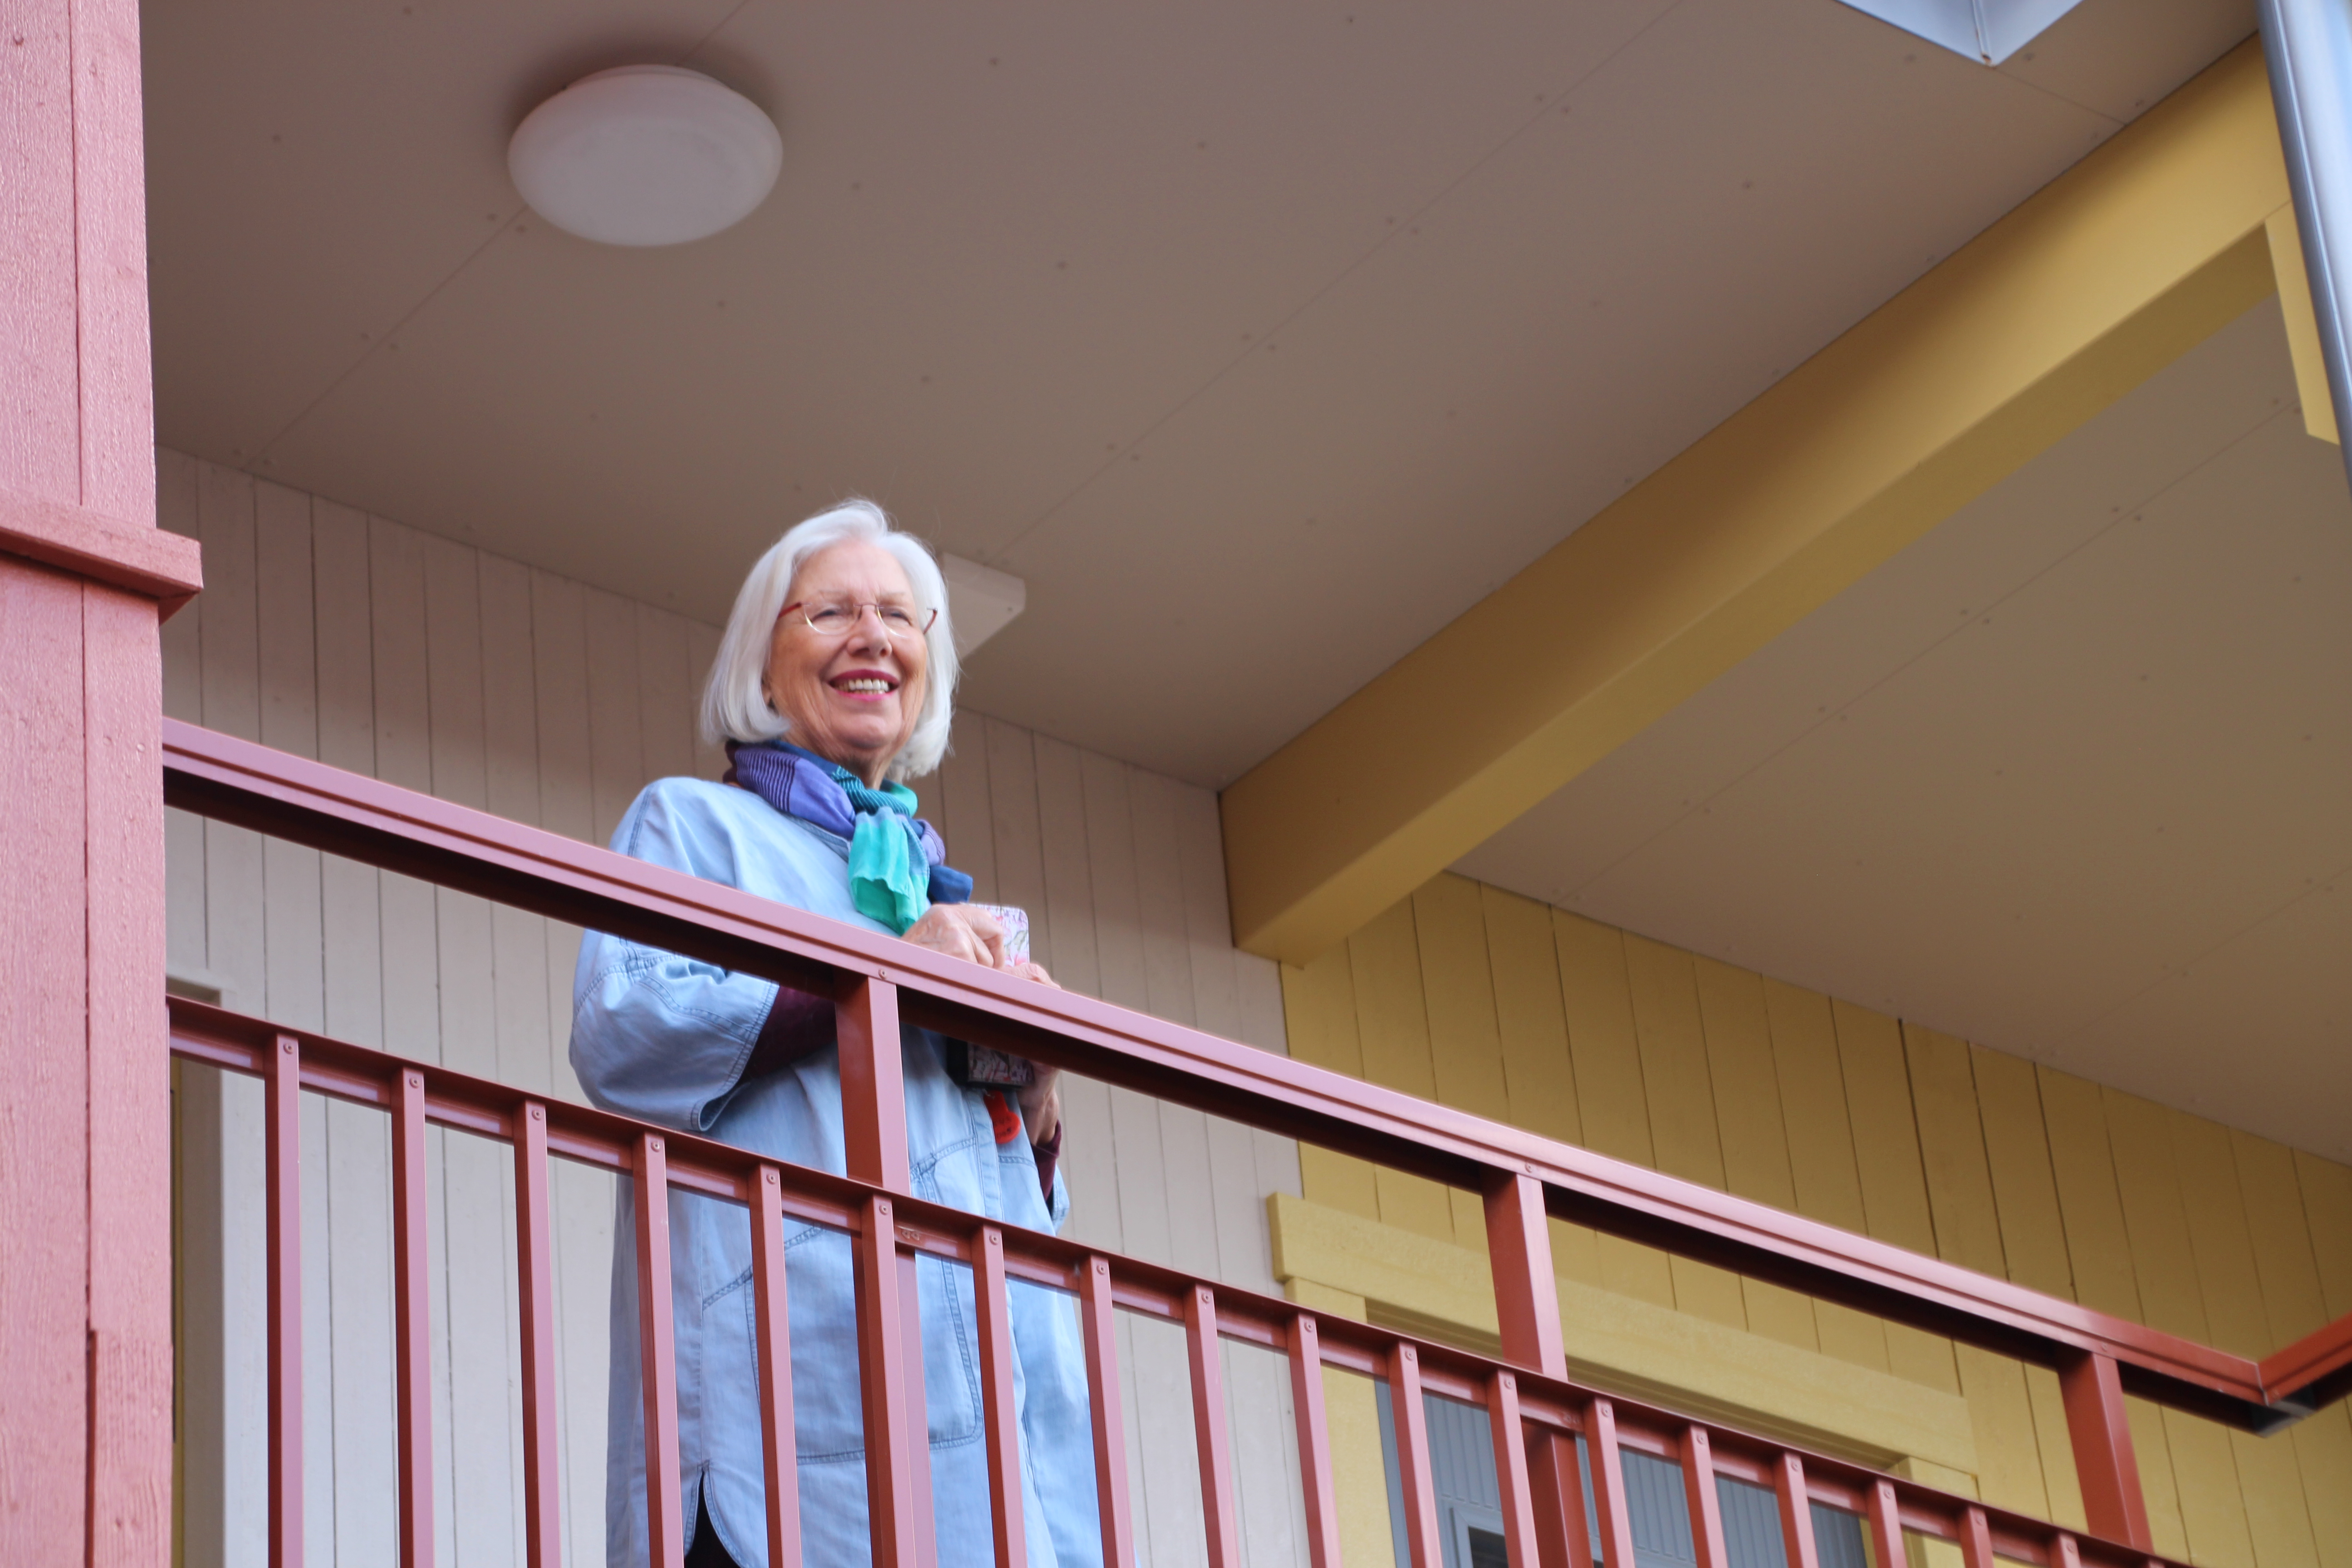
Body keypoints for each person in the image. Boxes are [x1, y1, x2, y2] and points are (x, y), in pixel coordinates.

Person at [570, 500, 1100, 1568]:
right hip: (786, 1415)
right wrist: (888, 978)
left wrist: (1036, 1102)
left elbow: (1012, 1203)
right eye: (833, 612)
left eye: (901, 617)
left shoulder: (942, 898)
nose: (874, 638)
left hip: (984, 1454)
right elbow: (624, 1028)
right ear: (764, 674)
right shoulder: (694, 825)